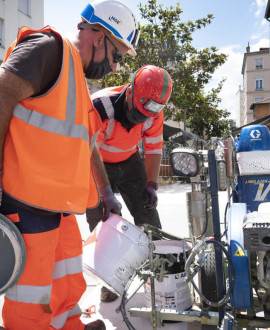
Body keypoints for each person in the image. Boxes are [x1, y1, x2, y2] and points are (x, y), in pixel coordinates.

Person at [0, 0, 139, 329]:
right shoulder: (49, 50)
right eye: (118, 56)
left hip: (59, 211)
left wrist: (104, 193)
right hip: (26, 206)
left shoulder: (77, 82)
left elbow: (88, 145)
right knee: (30, 302)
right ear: (100, 37)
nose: (116, 68)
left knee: (66, 289)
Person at [86, 65, 172, 302]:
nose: (143, 118)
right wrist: (104, 193)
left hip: (130, 161)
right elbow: (90, 151)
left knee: (148, 214)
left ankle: (163, 272)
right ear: (131, 91)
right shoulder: (101, 106)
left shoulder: (154, 111)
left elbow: (154, 147)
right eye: (140, 111)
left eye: (149, 114)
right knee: (103, 222)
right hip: (97, 163)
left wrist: (152, 184)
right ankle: (109, 280)